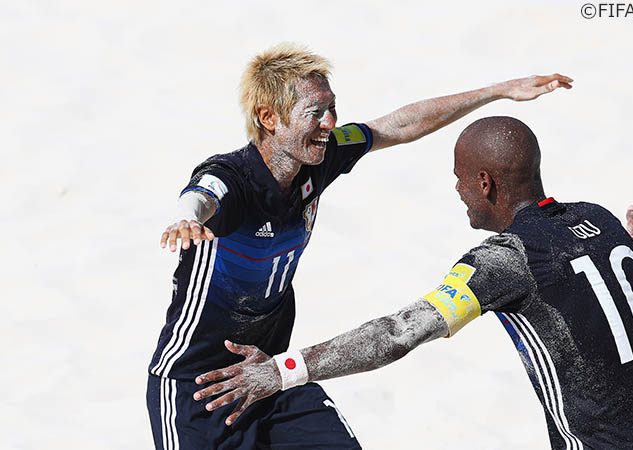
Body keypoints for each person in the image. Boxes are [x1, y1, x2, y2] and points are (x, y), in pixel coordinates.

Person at [147, 41, 573, 450]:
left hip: (269, 370)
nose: (330, 122)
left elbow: (398, 125)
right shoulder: (235, 178)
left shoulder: (321, 156)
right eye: (316, 112)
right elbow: (204, 192)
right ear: (269, 117)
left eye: (332, 107)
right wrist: (187, 216)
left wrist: (498, 91)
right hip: (198, 387)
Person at [194, 117, 633, 449]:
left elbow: (399, 333)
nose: (457, 188)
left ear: (486, 183)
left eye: (461, 177)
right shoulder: (601, 220)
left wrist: (282, 371)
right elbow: (630, 263)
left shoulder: (506, 261)